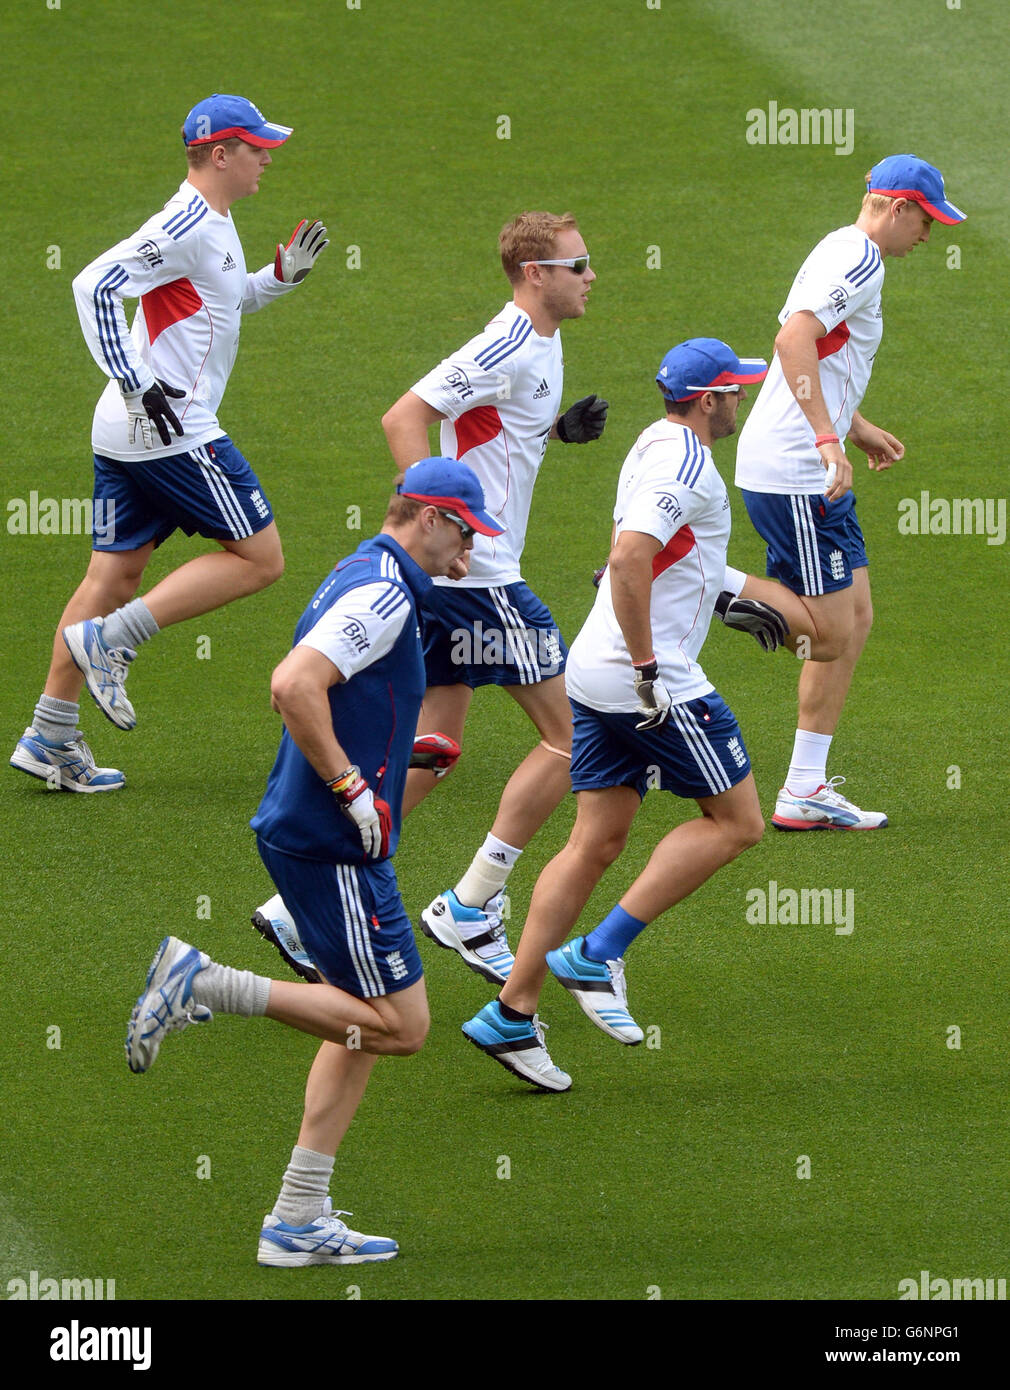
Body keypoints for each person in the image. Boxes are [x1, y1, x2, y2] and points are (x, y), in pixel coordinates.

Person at [125, 458, 502, 1264]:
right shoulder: (386, 592)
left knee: (355, 1018)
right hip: (331, 844)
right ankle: (204, 983)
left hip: (307, 829)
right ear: (429, 519)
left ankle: (298, 1216)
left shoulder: (357, 567)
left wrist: (397, 751)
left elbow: (337, 689)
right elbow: (295, 683)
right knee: (401, 1028)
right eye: (464, 536)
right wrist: (353, 788)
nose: (466, 559)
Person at [461, 339, 833, 1091]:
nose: (741, 402)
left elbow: (648, 554)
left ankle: (511, 1010)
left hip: (592, 673)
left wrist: (729, 591)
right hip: (647, 678)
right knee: (738, 823)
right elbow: (630, 560)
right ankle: (597, 956)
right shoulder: (688, 463)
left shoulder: (654, 443)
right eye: (734, 392)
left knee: (595, 840)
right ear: (709, 402)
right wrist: (648, 670)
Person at [254, 210, 607, 986]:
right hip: (482, 580)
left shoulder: (542, 343)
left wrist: (553, 431)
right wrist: (435, 526)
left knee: (435, 751)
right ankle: (472, 904)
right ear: (535, 274)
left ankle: (293, 908)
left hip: (457, 577)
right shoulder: (506, 340)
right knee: (573, 738)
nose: (591, 277)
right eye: (578, 265)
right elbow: (405, 416)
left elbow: (494, 429)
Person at [11, 93, 328, 793]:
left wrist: (279, 279)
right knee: (260, 556)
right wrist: (134, 380)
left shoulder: (214, 221)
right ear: (220, 154)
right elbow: (92, 284)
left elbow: (219, 301)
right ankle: (112, 641)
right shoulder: (184, 221)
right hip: (168, 425)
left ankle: (49, 732)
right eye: (256, 149)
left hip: (125, 432)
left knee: (111, 576)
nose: (266, 159)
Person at [734, 154, 965, 830]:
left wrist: (852, 425)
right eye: (926, 221)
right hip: (798, 472)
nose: (929, 236)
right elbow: (791, 340)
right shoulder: (860, 259)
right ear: (898, 208)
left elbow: (819, 351)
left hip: (808, 465)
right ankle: (692, 581)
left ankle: (804, 788)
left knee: (855, 618)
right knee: (829, 635)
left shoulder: (843, 248)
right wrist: (827, 439)